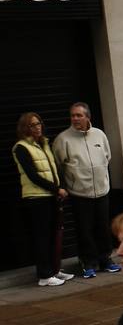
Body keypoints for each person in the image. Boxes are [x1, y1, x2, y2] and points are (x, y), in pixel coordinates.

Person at [52, 102, 118, 278]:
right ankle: (88, 262)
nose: (75, 118)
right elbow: (58, 165)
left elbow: (107, 157)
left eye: (79, 115)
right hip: (79, 193)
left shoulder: (100, 135)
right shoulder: (63, 139)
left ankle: (106, 260)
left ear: (88, 117)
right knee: (85, 230)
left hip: (102, 191)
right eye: (72, 115)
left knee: (103, 227)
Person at [13, 111, 70, 287]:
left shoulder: (44, 144)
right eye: (32, 125)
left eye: (38, 124)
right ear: (25, 128)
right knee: (42, 237)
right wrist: (56, 189)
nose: (37, 127)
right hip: (36, 198)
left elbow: (54, 169)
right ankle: (44, 275)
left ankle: (54, 269)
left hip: (51, 196)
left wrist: (61, 187)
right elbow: (32, 175)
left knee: (53, 235)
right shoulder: (21, 147)